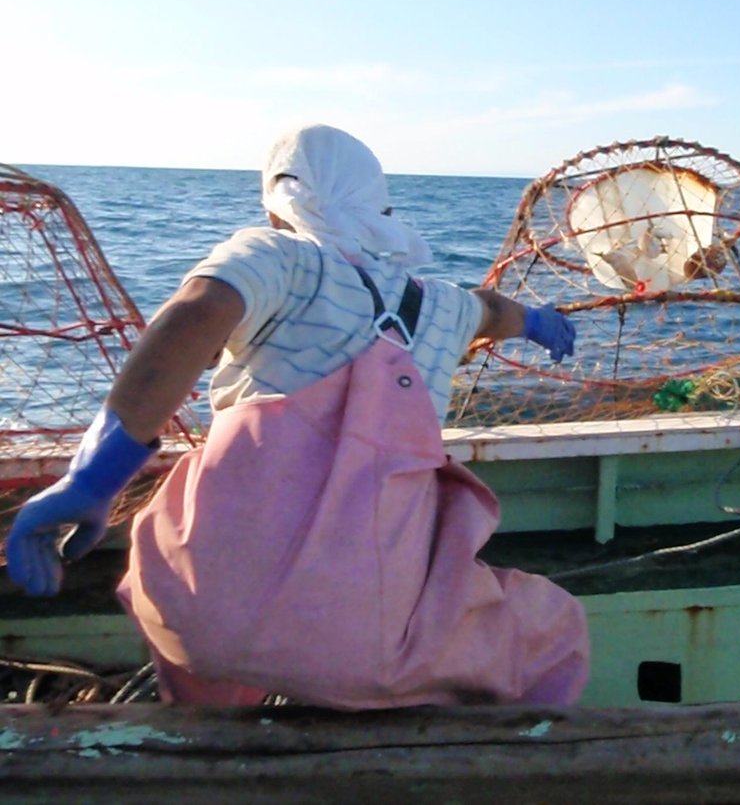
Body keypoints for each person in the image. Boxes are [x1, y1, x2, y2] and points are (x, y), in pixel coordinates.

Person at [4, 124, 590, 708]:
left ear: (280, 202)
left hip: (194, 615)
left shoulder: (272, 256)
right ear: (378, 205)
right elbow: (490, 309)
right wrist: (538, 322)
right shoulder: (444, 305)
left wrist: (93, 479)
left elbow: (197, 312)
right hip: (367, 642)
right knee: (554, 629)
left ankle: (213, 735)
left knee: (214, 627)